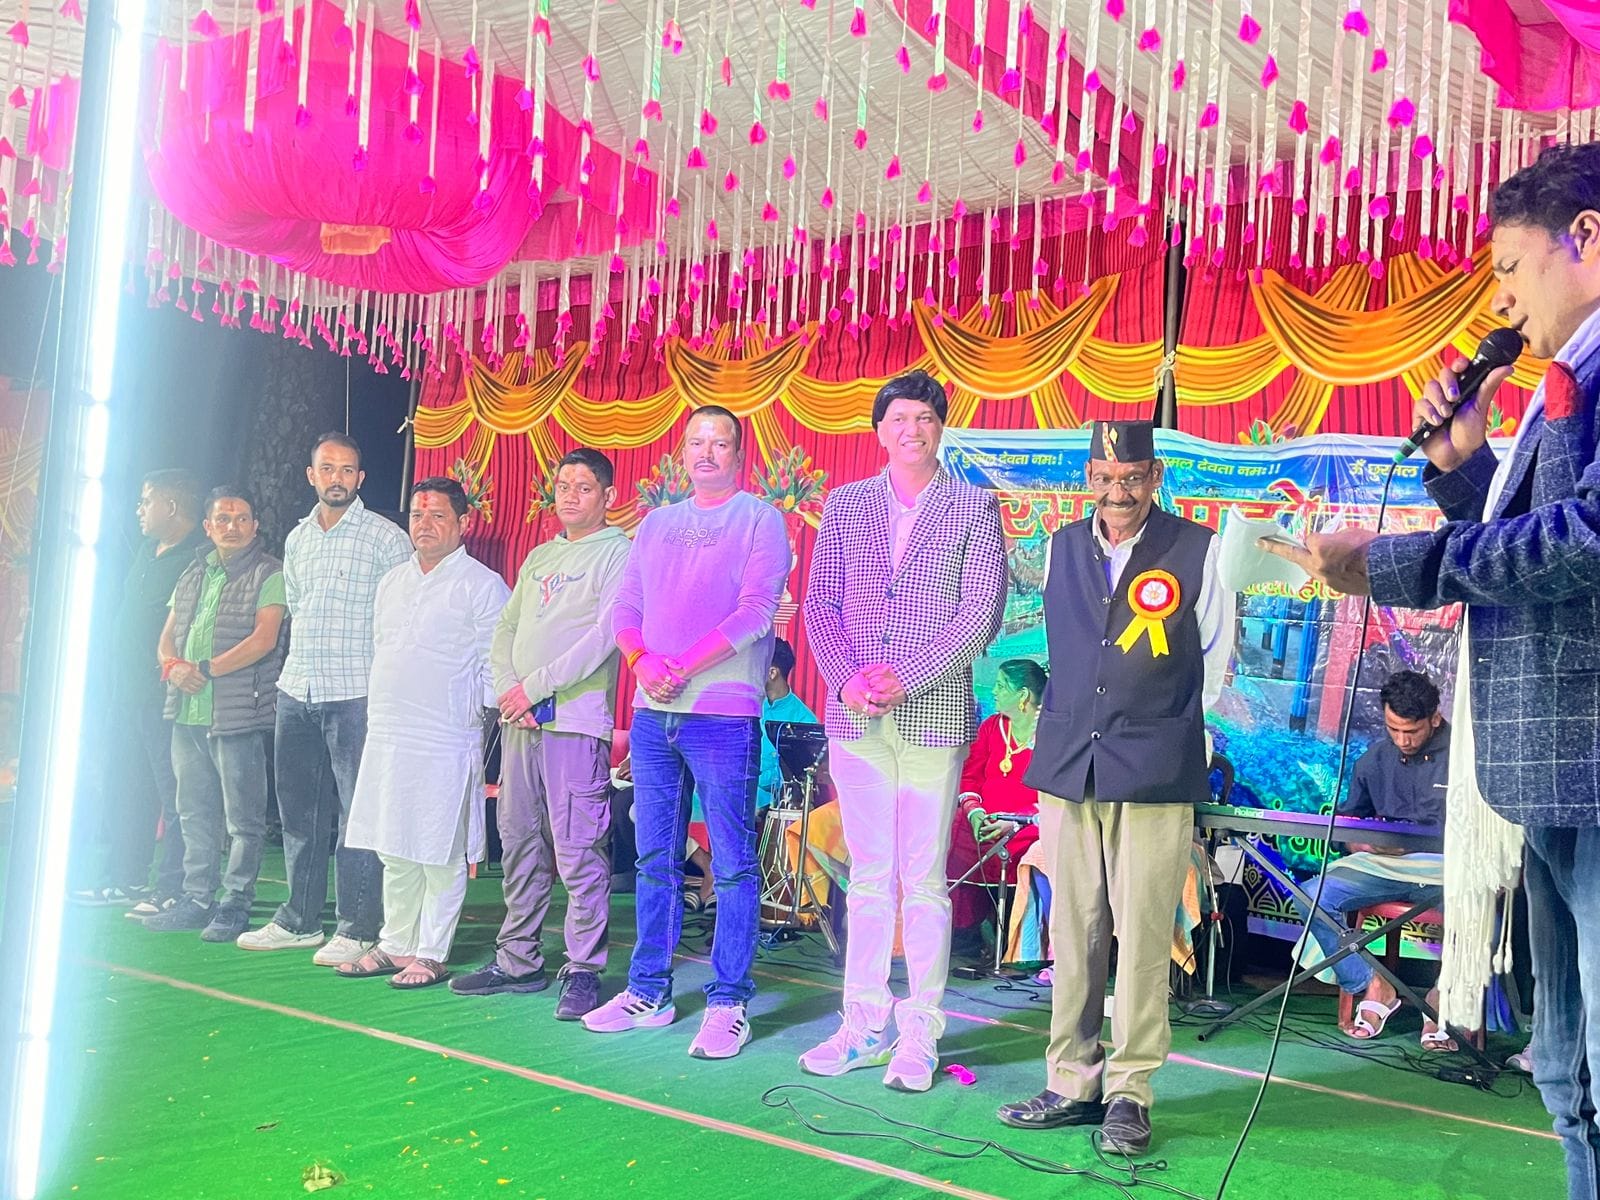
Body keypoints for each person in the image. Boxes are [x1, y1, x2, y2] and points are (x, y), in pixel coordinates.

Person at [1261, 142, 1600, 1200]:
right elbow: (1534, 540)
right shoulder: (1563, 382)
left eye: (1510, 268)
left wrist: (1388, 563)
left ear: (1586, 239)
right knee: (1566, 1070)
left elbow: (1586, 540)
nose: (1500, 299)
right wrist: (1462, 472)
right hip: (1546, 774)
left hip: (1590, 768)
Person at [998, 419, 1233, 1153]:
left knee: (1142, 935)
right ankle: (1071, 1081)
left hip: (1153, 768)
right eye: (1104, 479)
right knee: (1073, 931)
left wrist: (1165, 729)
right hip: (1069, 764)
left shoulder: (1197, 549)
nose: (1118, 492)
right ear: (1089, 481)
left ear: (1155, 477)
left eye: (1131, 478)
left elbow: (1215, 662)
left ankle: (1130, 1092)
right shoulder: (1062, 547)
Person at [799, 368, 1009, 1092]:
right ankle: (861, 1023)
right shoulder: (846, 504)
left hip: (932, 714)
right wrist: (847, 679)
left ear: (940, 428)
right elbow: (820, 604)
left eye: (924, 418)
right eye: (899, 419)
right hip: (854, 714)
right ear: (879, 431)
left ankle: (920, 1030)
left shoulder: (974, 507)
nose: (911, 430)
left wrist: (907, 677)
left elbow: (980, 613)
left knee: (922, 879)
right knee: (867, 876)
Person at [581, 405, 789, 1060]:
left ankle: (729, 1001)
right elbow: (626, 606)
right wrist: (642, 662)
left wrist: (681, 666)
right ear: (682, 454)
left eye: (719, 443)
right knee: (653, 857)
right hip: (652, 711)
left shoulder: (760, 519)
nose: (706, 452)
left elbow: (757, 612)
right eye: (696, 442)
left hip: (723, 713)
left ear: (738, 455)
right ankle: (649, 989)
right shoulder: (656, 523)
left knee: (731, 863)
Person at [450, 448, 631, 1020]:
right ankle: (518, 960)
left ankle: (583, 969)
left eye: (584, 487)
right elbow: (505, 628)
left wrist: (535, 688)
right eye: (564, 485)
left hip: (574, 721)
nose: (571, 495)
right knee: (519, 840)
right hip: (520, 719)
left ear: (607, 496)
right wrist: (510, 688)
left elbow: (604, 638)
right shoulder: (540, 555)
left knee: (578, 848)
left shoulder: (619, 553)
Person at [237, 433, 411, 964]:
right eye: (328, 468)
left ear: (361, 478)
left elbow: (403, 618)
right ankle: (300, 920)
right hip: (298, 688)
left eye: (348, 470)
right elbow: (296, 607)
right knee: (299, 814)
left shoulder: (386, 538)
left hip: (357, 693)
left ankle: (358, 927)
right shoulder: (298, 539)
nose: (338, 478)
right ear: (311, 475)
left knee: (358, 815)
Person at [338, 478, 510, 989]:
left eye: (438, 516)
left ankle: (431, 951)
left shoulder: (483, 585)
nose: (425, 525)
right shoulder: (393, 581)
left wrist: (472, 716)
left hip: (445, 737)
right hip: (390, 732)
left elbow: (496, 665)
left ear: (463, 523)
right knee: (393, 844)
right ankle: (396, 943)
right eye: (417, 515)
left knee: (440, 850)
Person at [144, 486, 287, 943]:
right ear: (207, 527)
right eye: (223, 519)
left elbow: (264, 639)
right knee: (192, 811)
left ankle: (235, 903)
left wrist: (203, 670)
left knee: (243, 819)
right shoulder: (192, 572)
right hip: (187, 711)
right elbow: (166, 637)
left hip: (237, 712)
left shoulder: (269, 572)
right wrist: (173, 667)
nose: (232, 526)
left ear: (255, 526)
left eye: (242, 518)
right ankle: (197, 899)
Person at [1287, 670, 1451, 1046]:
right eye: (1394, 730)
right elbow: (1348, 827)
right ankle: (1372, 984)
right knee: (1311, 897)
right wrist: (1365, 846)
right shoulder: (1375, 758)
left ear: (1434, 718)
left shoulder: (1466, 757)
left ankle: (1443, 997)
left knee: (1478, 910)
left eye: (1412, 731)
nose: (1403, 740)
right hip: (1384, 866)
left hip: (1446, 868)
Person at [73, 470, 205, 910]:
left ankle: (172, 887)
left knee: (173, 793)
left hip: (165, 698)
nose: (138, 510)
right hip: (125, 693)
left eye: (146, 501)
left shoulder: (196, 558)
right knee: (125, 785)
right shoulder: (148, 551)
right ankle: (125, 878)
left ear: (171, 506)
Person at [946, 659, 1046, 958]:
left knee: (1026, 846)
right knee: (956, 833)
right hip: (986, 819)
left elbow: (1055, 793)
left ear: (1023, 695)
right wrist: (975, 812)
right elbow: (970, 777)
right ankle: (967, 933)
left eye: (1002, 686)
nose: (994, 692)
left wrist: (1017, 822)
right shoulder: (992, 727)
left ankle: (1014, 940)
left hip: (1030, 824)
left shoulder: (1051, 730)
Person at [756, 638, 818, 809]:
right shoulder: (746, 707)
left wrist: (755, 780)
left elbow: (797, 775)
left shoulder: (805, 720)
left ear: (772, 672)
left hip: (775, 805)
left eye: (755, 664)